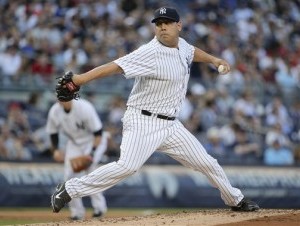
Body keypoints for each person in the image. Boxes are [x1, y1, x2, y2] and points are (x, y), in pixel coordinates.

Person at [51, 6, 259, 213]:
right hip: (143, 120)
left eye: (167, 23)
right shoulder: (149, 52)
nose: (162, 27)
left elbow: (192, 52)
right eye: (158, 24)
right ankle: (69, 189)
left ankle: (235, 200)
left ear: (179, 25)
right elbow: (115, 66)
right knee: (128, 166)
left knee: (207, 163)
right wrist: (80, 79)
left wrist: (214, 59)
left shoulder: (183, 46)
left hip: (171, 125)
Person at [46, 98, 108, 220]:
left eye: (65, 94)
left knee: (91, 174)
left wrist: (91, 153)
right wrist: (56, 150)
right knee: (68, 178)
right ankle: (77, 213)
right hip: (74, 143)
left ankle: (99, 209)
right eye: (60, 95)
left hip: (93, 141)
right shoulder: (55, 111)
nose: (62, 99)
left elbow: (98, 133)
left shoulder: (84, 107)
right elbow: (53, 133)